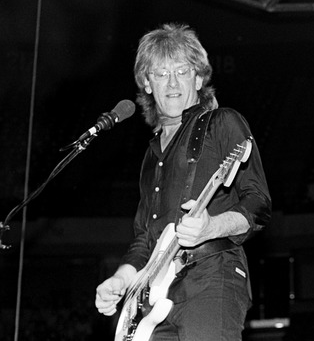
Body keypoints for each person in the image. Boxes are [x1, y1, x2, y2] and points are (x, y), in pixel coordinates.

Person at [94, 23, 272, 340]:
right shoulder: (151, 156)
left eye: (182, 71)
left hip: (211, 275)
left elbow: (258, 202)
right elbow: (144, 239)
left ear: (199, 78)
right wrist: (121, 279)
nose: (172, 82)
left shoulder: (223, 122)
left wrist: (212, 227)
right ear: (147, 83)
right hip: (154, 298)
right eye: (161, 74)